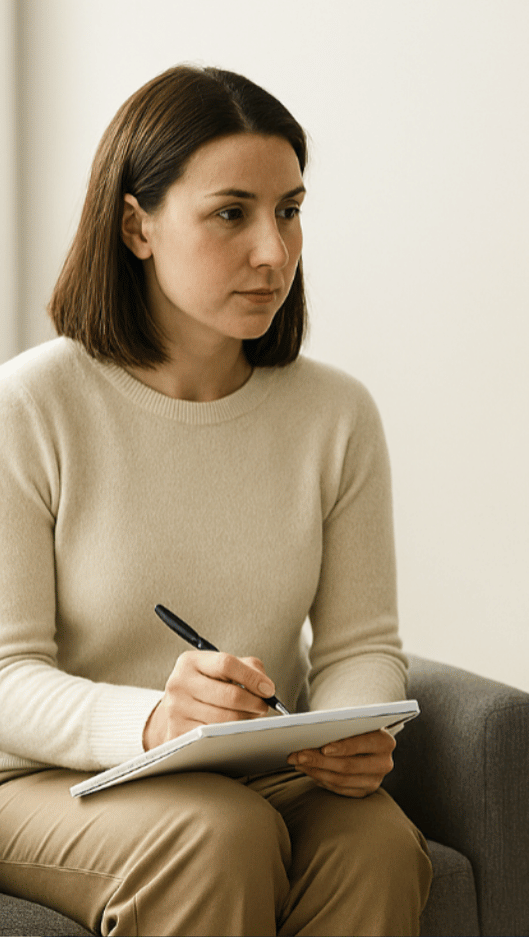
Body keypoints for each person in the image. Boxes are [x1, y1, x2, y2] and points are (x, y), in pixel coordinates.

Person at [0, 65, 431, 935]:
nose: (273, 251)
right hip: (47, 777)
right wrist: (156, 721)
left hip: (253, 770)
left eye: (290, 210)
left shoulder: (335, 414)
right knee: (216, 832)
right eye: (232, 213)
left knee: (378, 841)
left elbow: (362, 643)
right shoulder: (30, 406)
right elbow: (5, 677)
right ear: (137, 225)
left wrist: (343, 727)